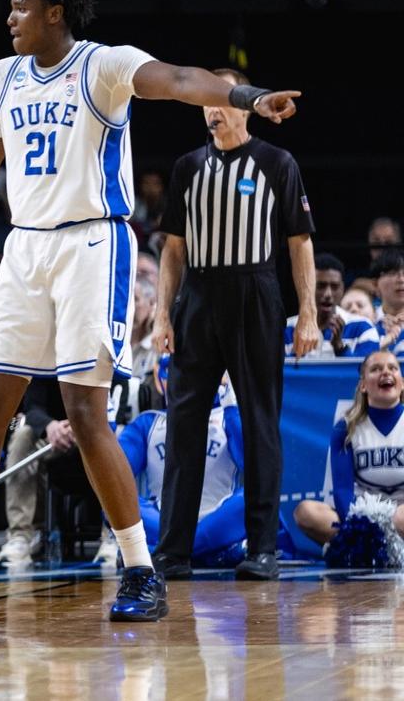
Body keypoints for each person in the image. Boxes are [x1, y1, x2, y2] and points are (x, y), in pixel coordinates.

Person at [0, 0, 300, 623]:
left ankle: (142, 571)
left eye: (20, 5)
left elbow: (177, 78)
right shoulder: (2, 78)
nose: (9, 17)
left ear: (54, 11)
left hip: (93, 241)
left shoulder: (102, 65)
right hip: (24, 247)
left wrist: (246, 97)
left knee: (86, 414)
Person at [151, 67, 315, 582]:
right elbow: (172, 249)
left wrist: (306, 311)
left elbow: (299, 243)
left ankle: (262, 547)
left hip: (255, 294)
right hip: (197, 296)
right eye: (207, 101)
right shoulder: (186, 168)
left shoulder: (277, 162)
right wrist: (162, 314)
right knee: (184, 424)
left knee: (261, 420)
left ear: (245, 105)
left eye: (222, 99)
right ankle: (173, 550)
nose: (213, 108)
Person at [295, 349, 404, 548]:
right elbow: (343, 490)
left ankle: (365, 550)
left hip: (402, 515)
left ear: (402, 382)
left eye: (393, 368)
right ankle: (369, 547)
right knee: (306, 512)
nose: (386, 373)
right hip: (363, 517)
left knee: (399, 518)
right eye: (376, 369)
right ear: (363, 385)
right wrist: (358, 525)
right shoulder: (346, 428)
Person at [121, 394, 247, 567]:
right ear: (159, 379)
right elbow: (116, 475)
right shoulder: (148, 422)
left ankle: (164, 552)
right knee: (115, 499)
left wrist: (231, 409)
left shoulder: (229, 415)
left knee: (253, 497)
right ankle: (211, 555)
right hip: (161, 520)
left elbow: (253, 465)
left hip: (219, 518)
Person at [288, 253, 378, 359]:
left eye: (334, 287)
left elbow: (369, 373)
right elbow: (277, 373)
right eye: (321, 286)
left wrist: (340, 348)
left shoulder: (363, 328)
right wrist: (299, 350)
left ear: (342, 289)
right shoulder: (287, 328)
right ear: (307, 286)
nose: (328, 294)